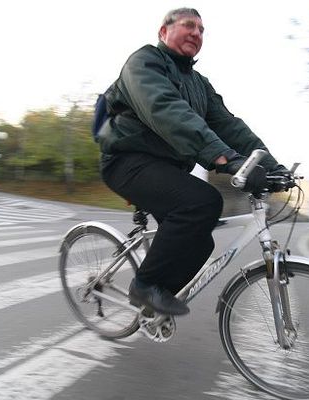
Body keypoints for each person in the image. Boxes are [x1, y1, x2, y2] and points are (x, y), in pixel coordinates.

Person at [96, 7, 287, 316]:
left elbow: (229, 125)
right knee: (201, 202)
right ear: (163, 32)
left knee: (199, 243)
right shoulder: (144, 63)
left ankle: (154, 302)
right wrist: (226, 159)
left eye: (202, 31)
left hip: (165, 168)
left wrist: (271, 165)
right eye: (189, 26)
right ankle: (144, 286)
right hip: (125, 161)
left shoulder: (199, 84)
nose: (197, 34)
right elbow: (169, 113)